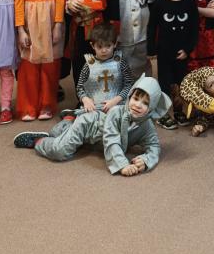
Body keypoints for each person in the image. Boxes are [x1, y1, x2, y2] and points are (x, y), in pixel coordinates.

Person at [13, 23, 132, 159]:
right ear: (92, 46)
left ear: (115, 44)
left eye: (108, 46)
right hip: (92, 109)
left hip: (115, 108)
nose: (104, 50)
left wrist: (116, 100)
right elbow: (80, 87)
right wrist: (85, 99)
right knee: (61, 134)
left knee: (106, 139)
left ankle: (70, 119)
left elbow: (129, 85)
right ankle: (47, 136)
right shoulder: (89, 65)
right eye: (100, 47)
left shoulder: (120, 63)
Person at [146, 0, 199, 128]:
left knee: (179, 83)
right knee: (164, 83)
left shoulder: (190, 3)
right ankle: (162, 114)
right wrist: (151, 49)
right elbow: (151, 27)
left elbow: (194, 28)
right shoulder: (159, 3)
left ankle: (178, 111)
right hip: (164, 52)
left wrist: (188, 49)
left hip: (182, 52)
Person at [102, 76, 172, 175]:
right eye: (135, 98)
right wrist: (122, 164)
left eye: (145, 103)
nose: (138, 105)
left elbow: (154, 145)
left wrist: (146, 160)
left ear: (151, 108)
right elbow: (111, 140)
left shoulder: (147, 124)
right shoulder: (115, 112)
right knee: (78, 130)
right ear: (130, 96)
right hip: (92, 125)